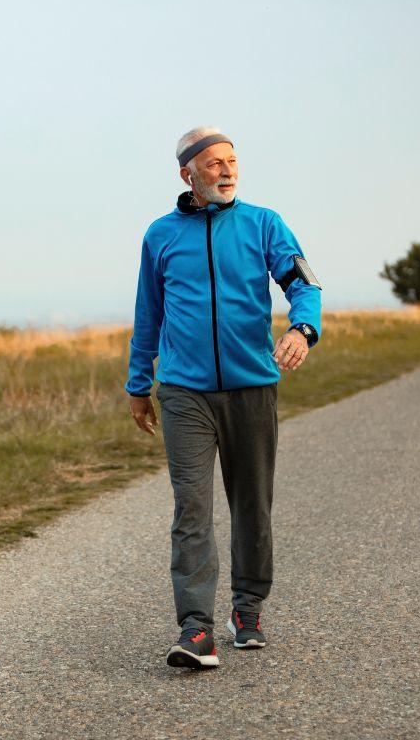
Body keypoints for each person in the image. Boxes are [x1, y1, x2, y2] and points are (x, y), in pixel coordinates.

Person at [125, 126, 322, 670]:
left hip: (252, 388)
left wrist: (301, 329)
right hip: (185, 392)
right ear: (187, 173)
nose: (227, 171)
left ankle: (248, 609)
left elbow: (304, 282)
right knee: (192, 507)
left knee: (252, 504)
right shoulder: (160, 235)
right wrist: (138, 383)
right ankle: (196, 630)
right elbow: (149, 314)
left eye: (232, 161)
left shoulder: (264, 224)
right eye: (213, 163)